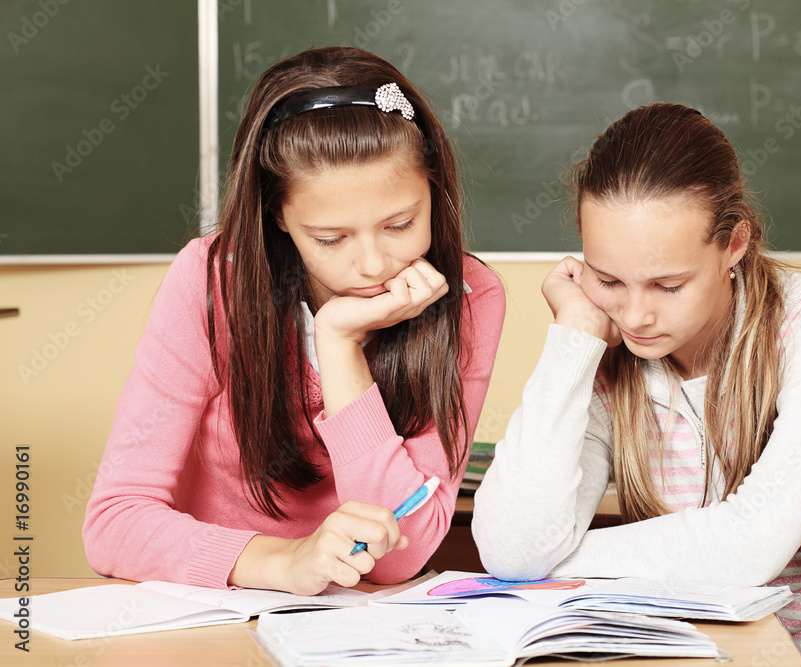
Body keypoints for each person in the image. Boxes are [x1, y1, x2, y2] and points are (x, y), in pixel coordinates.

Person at [472, 103, 801, 667]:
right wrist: (573, 338)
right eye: (608, 280)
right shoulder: (607, 349)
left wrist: (550, 565)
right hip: (679, 649)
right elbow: (513, 548)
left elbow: (748, 548)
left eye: (668, 285)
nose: (635, 316)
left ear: (735, 244)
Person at [84, 46, 505, 596]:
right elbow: (115, 521)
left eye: (400, 224)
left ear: (434, 190)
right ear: (277, 216)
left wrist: (339, 342)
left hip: (361, 622)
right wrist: (285, 561)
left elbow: (402, 554)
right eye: (330, 238)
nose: (373, 264)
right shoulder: (213, 282)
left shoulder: (470, 296)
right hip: (218, 610)